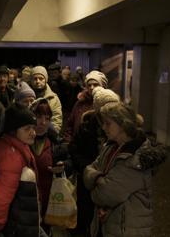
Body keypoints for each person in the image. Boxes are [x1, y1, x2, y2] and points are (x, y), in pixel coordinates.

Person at [84, 103, 166, 237]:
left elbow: (104, 195)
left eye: (108, 123)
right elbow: (88, 169)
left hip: (126, 229)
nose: (103, 127)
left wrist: (95, 180)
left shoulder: (136, 158)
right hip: (112, 225)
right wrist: (99, 178)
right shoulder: (111, 146)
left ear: (122, 124)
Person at [0, 103, 47, 237]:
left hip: (20, 217)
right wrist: (0, 226)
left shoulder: (9, 143)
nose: (33, 133)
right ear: (13, 130)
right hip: (17, 225)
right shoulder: (11, 158)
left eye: (33, 128)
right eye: (27, 128)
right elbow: (0, 199)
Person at [68, 87, 120, 237]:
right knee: (85, 217)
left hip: (111, 185)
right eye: (106, 108)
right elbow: (74, 149)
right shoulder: (87, 127)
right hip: (88, 183)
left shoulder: (120, 129)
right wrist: (88, 168)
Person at [30, 99, 73, 234]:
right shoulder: (22, 139)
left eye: (47, 118)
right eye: (38, 117)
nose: (43, 122)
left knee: (45, 229)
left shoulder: (55, 141)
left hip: (48, 196)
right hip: (27, 198)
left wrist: (63, 166)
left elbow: (70, 162)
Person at [64, 70, 108, 142]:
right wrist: (69, 141)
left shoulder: (107, 104)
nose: (92, 87)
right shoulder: (80, 103)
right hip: (77, 147)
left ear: (103, 86)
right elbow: (70, 125)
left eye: (95, 84)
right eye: (89, 85)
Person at [30, 66, 62, 133]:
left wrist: (51, 134)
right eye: (35, 79)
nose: (38, 81)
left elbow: (56, 121)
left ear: (46, 80)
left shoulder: (53, 99)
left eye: (41, 78)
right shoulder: (25, 96)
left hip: (46, 136)